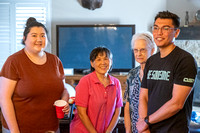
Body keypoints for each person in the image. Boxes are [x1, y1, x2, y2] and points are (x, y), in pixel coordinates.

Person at [0, 17, 70, 133]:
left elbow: (63, 90)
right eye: (34, 35)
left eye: (43, 35)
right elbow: (4, 99)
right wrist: (14, 131)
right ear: (24, 39)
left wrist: (65, 101)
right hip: (20, 129)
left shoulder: (55, 61)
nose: (39, 39)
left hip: (51, 128)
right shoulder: (13, 61)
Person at [137, 11, 197, 133]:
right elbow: (143, 96)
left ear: (177, 32)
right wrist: (145, 127)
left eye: (166, 28)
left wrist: (147, 121)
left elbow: (177, 103)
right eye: (156, 28)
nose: (159, 33)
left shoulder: (185, 60)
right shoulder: (151, 61)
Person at [70, 46, 123, 133]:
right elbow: (81, 113)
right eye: (98, 59)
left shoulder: (116, 83)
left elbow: (118, 111)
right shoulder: (85, 81)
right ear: (92, 63)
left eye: (106, 59)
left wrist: (109, 131)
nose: (103, 62)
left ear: (111, 61)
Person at [124, 32, 156, 133]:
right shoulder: (132, 73)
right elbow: (127, 105)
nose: (138, 54)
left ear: (152, 50)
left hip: (154, 128)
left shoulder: (159, 73)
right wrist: (128, 130)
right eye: (135, 50)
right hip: (134, 129)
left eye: (143, 50)